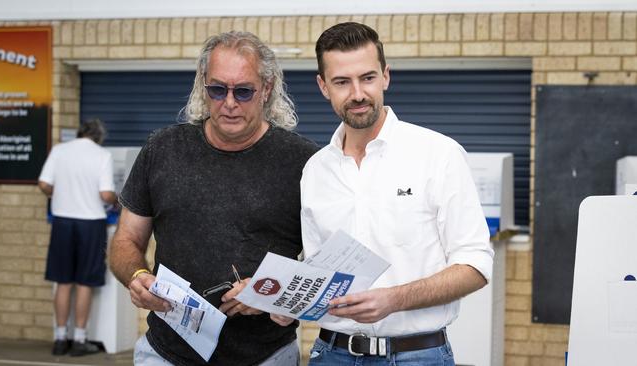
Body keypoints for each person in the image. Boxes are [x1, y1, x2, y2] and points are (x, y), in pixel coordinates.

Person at [278, 22, 494, 365]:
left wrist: (394, 299)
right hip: (331, 354)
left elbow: (476, 265)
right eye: (341, 82)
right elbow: (319, 270)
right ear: (323, 86)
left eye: (367, 78)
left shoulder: (438, 154)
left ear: (386, 77)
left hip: (418, 355)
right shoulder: (316, 170)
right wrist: (291, 304)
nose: (358, 93)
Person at [109, 31, 318, 366]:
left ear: (266, 88)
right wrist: (136, 277)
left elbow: (326, 264)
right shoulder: (162, 149)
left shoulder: (305, 162)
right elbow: (126, 239)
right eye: (218, 89)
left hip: (267, 356)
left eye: (243, 91)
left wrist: (273, 289)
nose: (230, 103)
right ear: (203, 86)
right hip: (166, 354)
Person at [38, 119, 116, 357]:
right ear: (98, 137)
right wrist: (117, 198)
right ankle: (80, 340)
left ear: (80, 133)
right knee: (84, 282)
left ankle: (61, 338)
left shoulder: (59, 151)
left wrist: (59, 192)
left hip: (62, 223)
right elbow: (105, 193)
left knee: (63, 282)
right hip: (91, 224)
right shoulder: (102, 155)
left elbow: (43, 184)